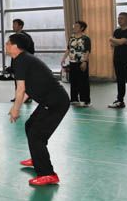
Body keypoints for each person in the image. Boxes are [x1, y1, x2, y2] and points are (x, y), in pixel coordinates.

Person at [7, 33, 70, 186]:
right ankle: (37, 158)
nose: (6, 45)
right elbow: (28, 89)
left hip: (55, 102)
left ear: (16, 46)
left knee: (36, 135)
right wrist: (15, 106)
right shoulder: (21, 59)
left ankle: (48, 174)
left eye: (8, 43)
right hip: (49, 101)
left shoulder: (22, 60)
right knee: (30, 126)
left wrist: (16, 109)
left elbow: (21, 89)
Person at [61, 20, 91, 107]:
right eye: (74, 26)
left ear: (82, 28)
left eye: (77, 26)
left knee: (83, 81)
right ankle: (74, 99)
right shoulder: (71, 38)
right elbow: (68, 49)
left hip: (81, 62)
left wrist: (84, 61)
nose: (74, 27)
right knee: (73, 81)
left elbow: (87, 51)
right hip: (72, 62)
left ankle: (85, 100)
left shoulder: (86, 39)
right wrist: (63, 58)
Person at [109, 11, 127, 110]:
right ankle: (120, 101)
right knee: (120, 81)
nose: (119, 20)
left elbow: (119, 42)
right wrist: (123, 41)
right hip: (117, 59)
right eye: (118, 18)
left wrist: (114, 39)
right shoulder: (117, 31)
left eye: (121, 18)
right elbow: (113, 44)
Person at [10, 19, 35, 103]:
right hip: (16, 62)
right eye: (13, 24)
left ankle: (28, 97)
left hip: (24, 62)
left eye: (15, 24)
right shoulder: (13, 37)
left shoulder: (26, 37)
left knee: (25, 80)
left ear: (20, 26)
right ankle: (18, 97)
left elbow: (31, 50)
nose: (13, 26)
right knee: (17, 80)